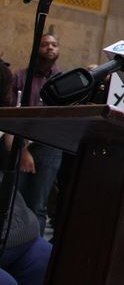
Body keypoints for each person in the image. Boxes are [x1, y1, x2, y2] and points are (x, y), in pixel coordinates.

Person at [5, 34, 64, 236]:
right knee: (16, 201)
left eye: (54, 45)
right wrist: (22, 149)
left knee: (38, 205)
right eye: (45, 44)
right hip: (20, 143)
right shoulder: (21, 77)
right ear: (36, 48)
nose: (50, 48)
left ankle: (34, 246)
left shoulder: (62, 80)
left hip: (49, 146)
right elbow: (12, 113)